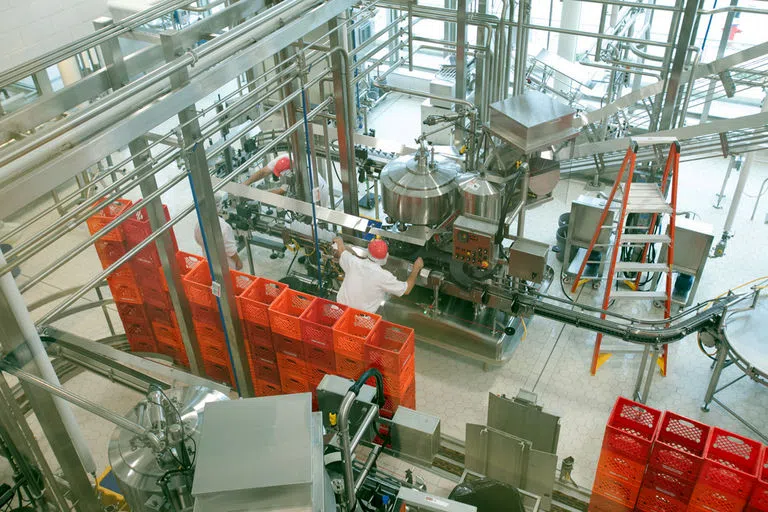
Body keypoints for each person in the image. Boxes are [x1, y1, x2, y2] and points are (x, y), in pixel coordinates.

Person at [333, 237, 424, 314]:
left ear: (368, 251)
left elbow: (341, 251)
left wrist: (339, 240)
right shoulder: (383, 276)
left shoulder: (353, 262)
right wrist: (416, 268)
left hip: (338, 311)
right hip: (361, 319)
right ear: (386, 256)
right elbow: (406, 290)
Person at [243, 153, 330, 207]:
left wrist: (258, 195)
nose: (281, 177)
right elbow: (264, 172)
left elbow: (280, 191)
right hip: (310, 187)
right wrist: (246, 183)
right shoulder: (283, 159)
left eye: (282, 175)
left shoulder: (298, 176)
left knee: (318, 216)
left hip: (319, 190)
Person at [193, 192, 243, 270]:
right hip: (226, 264)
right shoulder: (224, 227)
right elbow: (231, 251)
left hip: (209, 260)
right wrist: (238, 261)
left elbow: (198, 240)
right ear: (217, 206)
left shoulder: (199, 224)